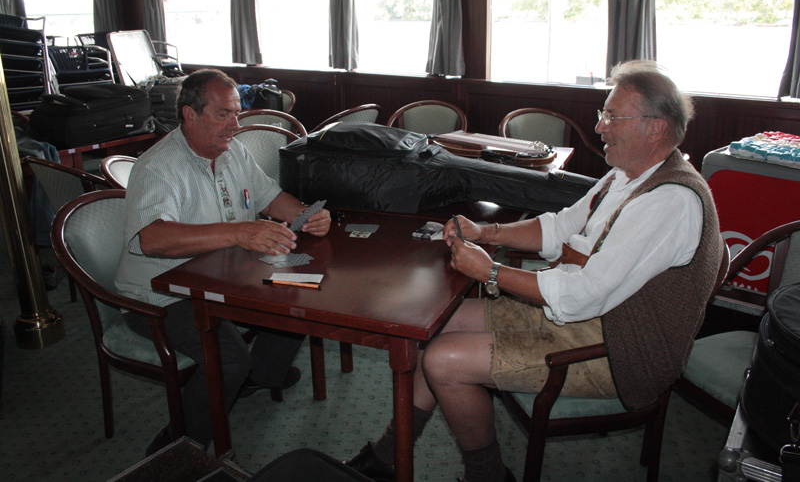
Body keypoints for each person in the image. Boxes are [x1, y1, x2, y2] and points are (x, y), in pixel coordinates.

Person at [346, 60, 722, 482]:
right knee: (430, 325)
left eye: (613, 117)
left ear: (656, 128)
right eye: (603, 114)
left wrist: (491, 272)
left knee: (443, 361)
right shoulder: (626, 176)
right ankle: (388, 454)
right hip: (583, 316)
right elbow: (559, 227)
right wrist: (486, 231)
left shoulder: (669, 201)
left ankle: (488, 477)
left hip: (621, 349)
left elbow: (582, 295)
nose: (600, 127)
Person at [114, 69, 331, 455]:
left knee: (301, 299)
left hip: (225, 277)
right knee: (228, 359)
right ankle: (177, 447)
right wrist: (238, 233)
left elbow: (269, 197)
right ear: (189, 115)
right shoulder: (159, 167)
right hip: (162, 295)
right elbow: (153, 239)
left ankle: (257, 376)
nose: (235, 125)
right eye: (223, 114)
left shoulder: (233, 151)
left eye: (236, 113)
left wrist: (306, 215)